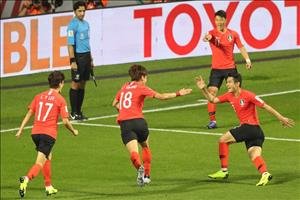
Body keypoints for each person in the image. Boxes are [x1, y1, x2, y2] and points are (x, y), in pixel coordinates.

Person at [195, 73, 294, 186]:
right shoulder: (229, 95)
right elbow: (212, 100)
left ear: (237, 83)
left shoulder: (248, 95)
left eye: (230, 82)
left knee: (223, 140)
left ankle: (223, 171)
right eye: (227, 82)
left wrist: (281, 118)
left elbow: (266, 106)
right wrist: (203, 89)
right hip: (256, 133)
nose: (227, 84)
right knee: (254, 155)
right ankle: (265, 173)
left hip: (250, 128)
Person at [112, 64, 192, 186]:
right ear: (142, 76)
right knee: (145, 146)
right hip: (139, 122)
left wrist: (123, 111)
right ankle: (147, 175)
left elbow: (114, 103)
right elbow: (162, 96)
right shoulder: (141, 87)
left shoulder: (124, 87)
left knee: (134, 153)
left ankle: (139, 168)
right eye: (146, 77)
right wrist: (178, 93)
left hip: (126, 123)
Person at [15, 71, 79, 198]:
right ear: (61, 84)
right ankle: (26, 179)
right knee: (39, 163)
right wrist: (73, 131)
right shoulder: (60, 99)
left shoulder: (39, 96)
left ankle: (48, 187)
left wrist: (20, 129)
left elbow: (29, 113)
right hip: (48, 135)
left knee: (48, 156)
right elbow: (65, 121)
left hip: (35, 134)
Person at [203, 10, 252, 129]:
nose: (218, 22)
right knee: (211, 93)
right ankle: (212, 121)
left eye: (220, 20)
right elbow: (206, 38)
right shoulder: (212, 32)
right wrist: (207, 38)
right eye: (216, 20)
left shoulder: (233, 34)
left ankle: (244, 120)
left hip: (230, 68)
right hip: (216, 69)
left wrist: (247, 60)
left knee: (237, 94)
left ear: (225, 20)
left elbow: (241, 47)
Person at [67, 0, 94, 120]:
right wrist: (72, 60)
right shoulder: (72, 25)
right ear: (74, 11)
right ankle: (73, 112)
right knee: (75, 83)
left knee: (83, 84)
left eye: (83, 11)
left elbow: (87, 42)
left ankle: (79, 111)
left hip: (86, 56)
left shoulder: (86, 24)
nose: (82, 13)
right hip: (78, 57)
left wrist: (91, 59)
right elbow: (70, 45)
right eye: (79, 11)